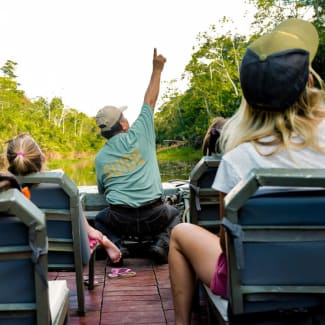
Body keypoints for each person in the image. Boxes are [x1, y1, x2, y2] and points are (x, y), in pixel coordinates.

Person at [168, 18, 325, 324]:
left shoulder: (238, 161)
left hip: (257, 288)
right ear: (308, 83)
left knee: (179, 233)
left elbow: (229, 248)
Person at [94, 48, 180, 264]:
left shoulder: (100, 157)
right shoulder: (140, 133)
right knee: (175, 213)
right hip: (156, 215)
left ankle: (118, 245)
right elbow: (149, 101)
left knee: (100, 220)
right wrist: (157, 69)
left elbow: (103, 191)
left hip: (120, 219)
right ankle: (161, 243)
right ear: (123, 124)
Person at [5, 133, 122, 264]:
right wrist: (91, 231)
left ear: (9, 162)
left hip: (23, 258)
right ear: (42, 158)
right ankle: (99, 237)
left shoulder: (7, 191)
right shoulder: (60, 186)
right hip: (69, 257)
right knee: (78, 213)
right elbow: (80, 221)